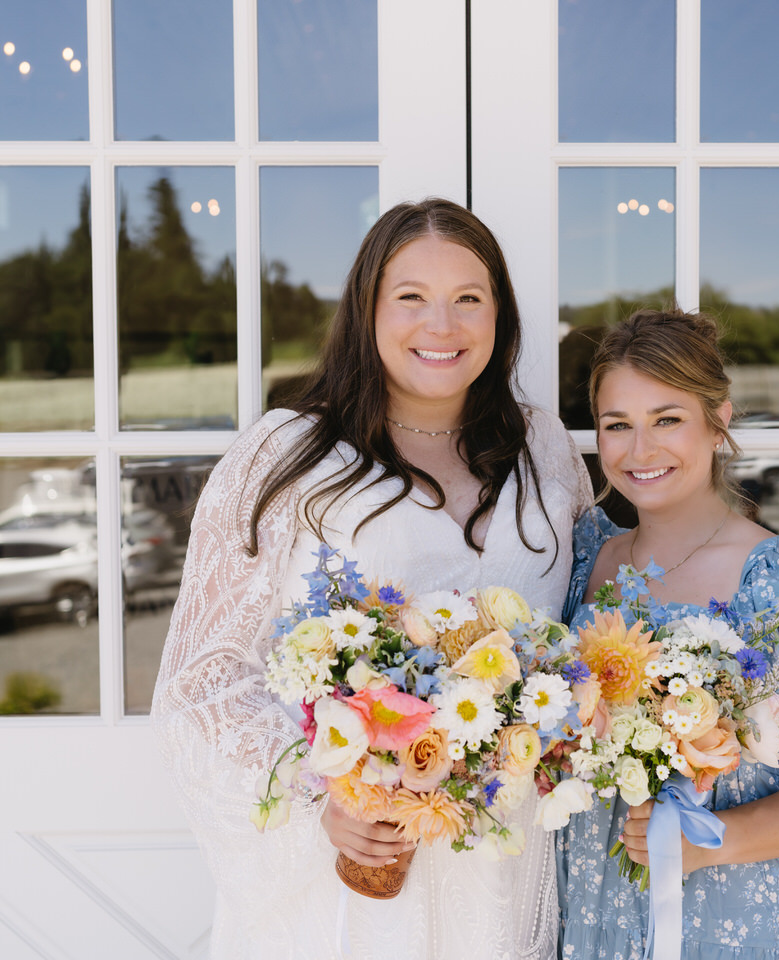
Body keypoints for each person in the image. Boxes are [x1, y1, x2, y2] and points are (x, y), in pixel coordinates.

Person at [151, 198, 592, 959]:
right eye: (411, 298)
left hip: (502, 868)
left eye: (468, 299)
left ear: (501, 314)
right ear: (367, 309)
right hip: (358, 869)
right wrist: (318, 798)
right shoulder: (289, 453)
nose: (442, 326)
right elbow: (204, 678)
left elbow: (583, 622)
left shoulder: (543, 446)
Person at [558, 308, 779, 959]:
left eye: (668, 420)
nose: (640, 450)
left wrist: (711, 838)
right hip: (591, 916)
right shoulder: (589, 562)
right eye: (617, 426)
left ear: (719, 420)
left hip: (726, 925)